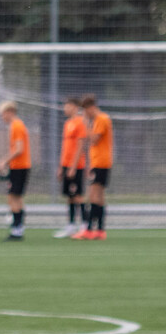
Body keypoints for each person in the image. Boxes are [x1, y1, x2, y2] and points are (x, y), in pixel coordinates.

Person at [74, 94, 113, 240]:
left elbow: (94, 139)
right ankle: (100, 230)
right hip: (99, 162)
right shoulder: (98, 119)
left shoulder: (101, 119)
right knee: (99, 197)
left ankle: (89, 229)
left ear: (90, 108)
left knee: (93, 195)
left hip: (101, 162)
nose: (85, 114)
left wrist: (85, 124)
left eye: (85, 110)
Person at [0, 101, 31, 241]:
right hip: (20, 166)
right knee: (17, 197)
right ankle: (19, 227)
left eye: (3, 114)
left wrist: (4, 161)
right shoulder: (16, 125)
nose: (2, 117)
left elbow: (19, 149)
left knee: (13, 197)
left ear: (10, 112)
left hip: (20, 167)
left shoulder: (16, 126)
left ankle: (17, 229)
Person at [54, 97, 88, 238]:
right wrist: (62, 166)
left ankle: (85, 225)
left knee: (78, 196)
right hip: (66, 165)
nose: (64, 109)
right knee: (70, 197)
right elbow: (66, 148)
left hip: (77, 165)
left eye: (67, 106)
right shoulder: (68, 123)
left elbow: (80, 146)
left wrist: (73, 166)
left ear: (74, 106)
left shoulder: (80, 122)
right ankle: (71, 225)